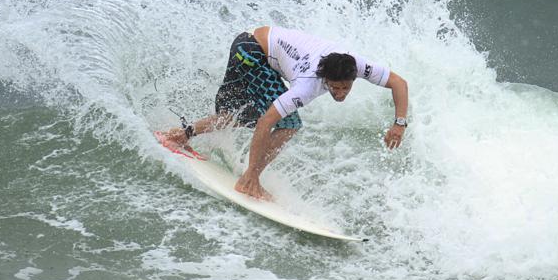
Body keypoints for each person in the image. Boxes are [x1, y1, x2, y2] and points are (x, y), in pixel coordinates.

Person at [162, 26, 408, 200]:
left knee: (239, 115)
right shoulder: (307, 84)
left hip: (249, 44)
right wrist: (252, 172)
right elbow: (266, 123)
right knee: (288, 124)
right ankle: (250, 182)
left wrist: (399, 123)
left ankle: (181, 135)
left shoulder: (356, 65)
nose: (341, 93)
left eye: (346, 87)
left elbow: (398, 82)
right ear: (325, 79)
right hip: (251, 53)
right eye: (335, 87)